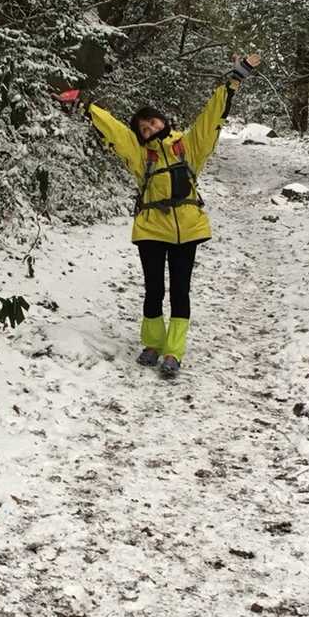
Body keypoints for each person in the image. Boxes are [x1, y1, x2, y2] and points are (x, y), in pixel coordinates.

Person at [58, 52, 259, 379]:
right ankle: (152, 343)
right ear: (140, 135)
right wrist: (85, 105)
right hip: (151, 228)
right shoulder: (141, 156)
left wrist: (234, 79)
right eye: (144, 127)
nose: (149, 128)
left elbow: (210, 117)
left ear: (163, 121)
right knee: (154, 289)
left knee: (180, 291)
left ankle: (173, 351)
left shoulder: (188, 148)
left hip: (188, 229)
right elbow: (115, 132)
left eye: (152, 122)